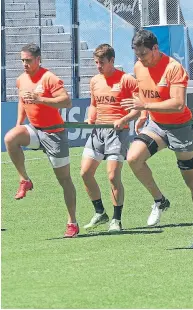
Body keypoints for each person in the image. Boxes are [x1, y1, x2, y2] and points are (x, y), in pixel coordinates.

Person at [121, 30, 193, 248]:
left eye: (144, 55)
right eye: (137, 55)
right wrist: (143, 115)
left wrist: (145, 107)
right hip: (157, 125)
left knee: (192, 182)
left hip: (181, 129)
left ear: (155, 49)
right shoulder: (139, 66)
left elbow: (178, 104)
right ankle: (160, 200)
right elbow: (144, 94)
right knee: (133, 158)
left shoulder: (174, 68)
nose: (141, 60)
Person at [4, 43, 79, 237]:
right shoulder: (21, 79)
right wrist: (19, 124)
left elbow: (67, 102)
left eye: (28, 60)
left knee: (64, 180)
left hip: (54, 134)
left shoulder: (49, 78)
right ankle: (24, 179)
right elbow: (22, 101)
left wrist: (40, 100)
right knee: (10, 138)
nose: (24, 64)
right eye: (22, 60)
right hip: (35, 130)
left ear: (38, 60)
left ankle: (72, 222)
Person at [81, 44, 140, 233]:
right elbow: (93, 104)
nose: (98, 66)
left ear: (112, 61)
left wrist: (123, 119)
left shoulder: (127, 80)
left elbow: (138, 108)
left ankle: (116, 219)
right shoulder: (95, 81)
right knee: (85, 173)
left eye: (102, 62)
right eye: (96, 62)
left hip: (118, 133)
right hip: (98, 132)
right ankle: (100, 212)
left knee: (113, 176)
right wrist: (90, 117)